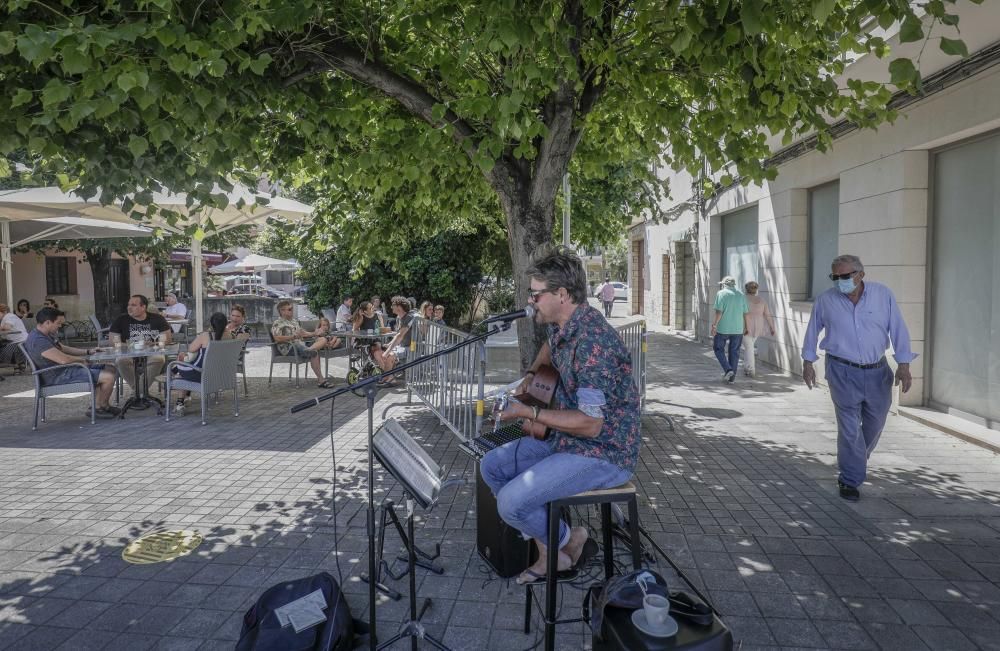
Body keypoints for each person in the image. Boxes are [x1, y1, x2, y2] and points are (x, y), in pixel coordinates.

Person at [480, 245, 641, 585]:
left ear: (562, 294)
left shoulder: (593, 344)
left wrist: (530, 412)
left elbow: (591, 423)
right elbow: (550, 349)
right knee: (491, 465)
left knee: (510, 504)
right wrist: (531, 375)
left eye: (536, 294)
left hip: (604, 451)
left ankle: (571, 540)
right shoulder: (562, 327)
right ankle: (554, 554)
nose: (530, 301)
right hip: (570, 440)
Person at [802, 254, 915, 502]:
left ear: (861, 274)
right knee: (850, 428)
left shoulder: (882, 295)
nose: (840, 281)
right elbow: (812, 331)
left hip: (878, 372)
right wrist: (808, 361)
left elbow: (898, 328)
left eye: (845, 276)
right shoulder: (826, 300)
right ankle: (850, 479)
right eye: (835, 277)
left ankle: (854, 460)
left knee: (874, 424)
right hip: (841, 370)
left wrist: (904, 365)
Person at [23, 308, 119, 418]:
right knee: (108, 377)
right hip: (57, 376)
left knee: (110, 367)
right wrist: (82, 360)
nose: (60, 326)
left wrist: (88, 351)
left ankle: (100, 406)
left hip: (65, 370)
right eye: (58, 323)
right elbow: (63, 359)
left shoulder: (46, 334)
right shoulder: (38, 340)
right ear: (47, 322)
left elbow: (63, 348)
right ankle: (100, 407)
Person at [109, 294, 172, 394]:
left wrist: (152, 343)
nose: (129, 307)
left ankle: (139, 392)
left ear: (143, 307)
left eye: (133, 305)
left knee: (159, 359)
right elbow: (112, 340)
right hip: (128, 353)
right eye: (128, 305)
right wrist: (131, 345)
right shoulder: (121, 319)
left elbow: (167, 339)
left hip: (151, 352)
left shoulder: (157, 318)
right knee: (121, 360)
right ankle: (141, 391)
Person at [171, 312, 229, 416]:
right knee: (181, 366)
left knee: (178, 363)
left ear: (211, 324)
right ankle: (186, 395)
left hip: (200, 373)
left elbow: (191, 348)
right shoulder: (229, 336)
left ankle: (180, 403)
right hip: (218, 376)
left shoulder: (206, 336)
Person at [271, 299, 332, 387]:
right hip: (289, 347)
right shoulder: (278, 323)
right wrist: (294, 337)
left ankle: (308, 350)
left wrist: (315, 333)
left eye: (291, 309)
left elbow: (303, 333)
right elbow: (277, 338)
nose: (292, 311)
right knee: (314, 353)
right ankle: (321, 380)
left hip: (300, 344)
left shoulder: (294, 321)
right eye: (290, 309)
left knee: (322, 339)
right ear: (282, 311)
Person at [710, 275, 749, 384]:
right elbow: (745, 313)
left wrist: (714, 326)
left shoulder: (721, 294)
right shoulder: (741, 295)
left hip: (723, 328)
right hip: (738, 329)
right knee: (734, 352)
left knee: (718, 349)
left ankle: (728, 369)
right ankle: (731, 378)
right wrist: (746, 327)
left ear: (724, 285)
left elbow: (719, 312)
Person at [742, 280, 775, 378]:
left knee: (749, 347)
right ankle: (746, 367)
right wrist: (772, 327)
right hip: (758, 326)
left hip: (746, 325)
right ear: (756, 290)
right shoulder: (762, 300)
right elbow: (768, 315)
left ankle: (751, 370)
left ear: (746, 289)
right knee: (749, 347)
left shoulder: (743, 299)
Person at [353, 301, 394, 373]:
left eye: (372, 306)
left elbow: (382, 329)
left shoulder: (378, 315)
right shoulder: (362, 317)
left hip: (375, 339)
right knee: (377, 350)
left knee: (378, 349)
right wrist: (359, 318)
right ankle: (384, 371)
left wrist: (384, 326)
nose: (373, 308)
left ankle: (383, 370)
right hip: (365, 340)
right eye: (370, 308)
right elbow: (354, 330)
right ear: (365, 311)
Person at [381, 296, 414, 383]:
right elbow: (397, 335)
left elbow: (400, 335)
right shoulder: (399, 318)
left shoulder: (409, 317)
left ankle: (390, 378)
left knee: (389, 355)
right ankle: (387, 376)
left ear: (399, 307)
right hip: (402, 346)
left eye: (393, 305)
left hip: (411, 348)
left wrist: (387, 351)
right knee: (383, 353)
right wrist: (389, 345)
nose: (391, 307)